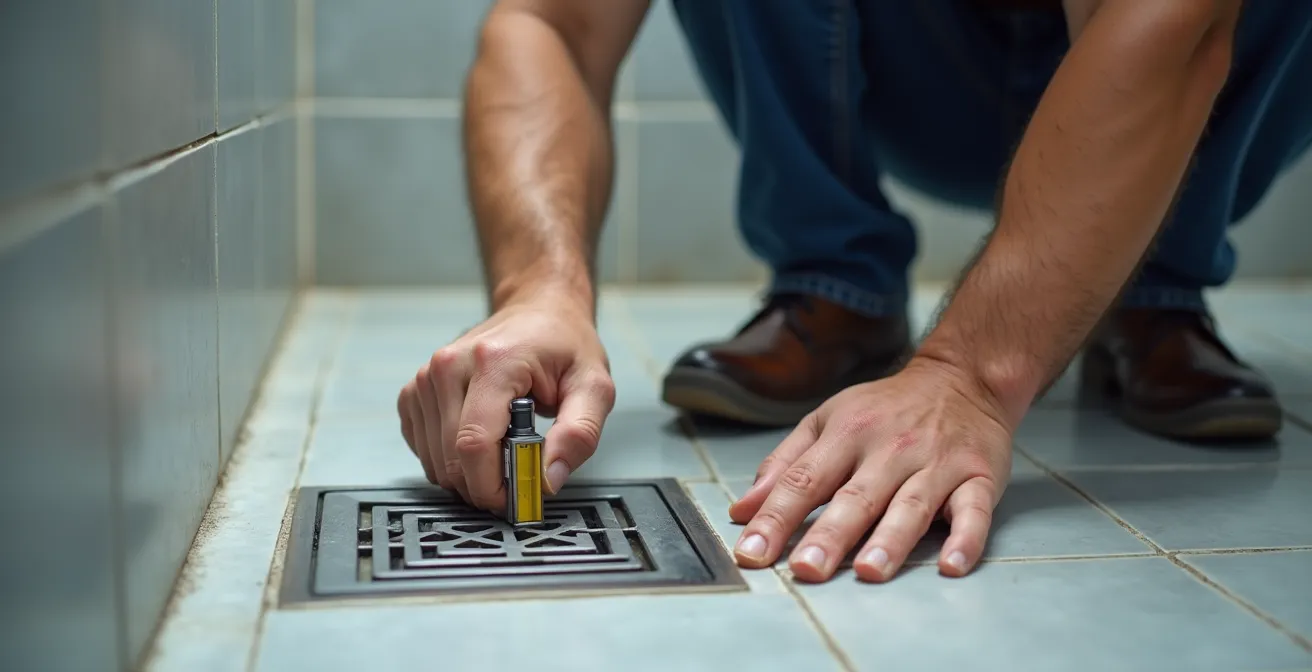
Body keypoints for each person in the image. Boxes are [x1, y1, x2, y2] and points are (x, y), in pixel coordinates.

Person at [396, 0, 1312, 584]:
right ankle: (835, 287)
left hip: (1190, 54)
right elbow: (550, 23)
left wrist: (970, 375)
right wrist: (541, 287)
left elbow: (1176, 19)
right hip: (912, 64)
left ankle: (1147, 285)